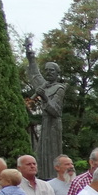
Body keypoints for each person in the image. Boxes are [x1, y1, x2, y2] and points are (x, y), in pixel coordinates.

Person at [24, 42, 66, 177]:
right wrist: (31, 60)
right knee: (42, 152)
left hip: (54, 125)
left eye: (51, 70)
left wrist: (44, 98)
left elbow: (55, 111)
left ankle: (52, 177)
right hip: (45, 124)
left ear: (57, 73)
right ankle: (42, 176)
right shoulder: (44, 85)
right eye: (46, 70)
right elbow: (35, 76)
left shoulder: (59, 88)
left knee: (52, 152)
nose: (48, 73)